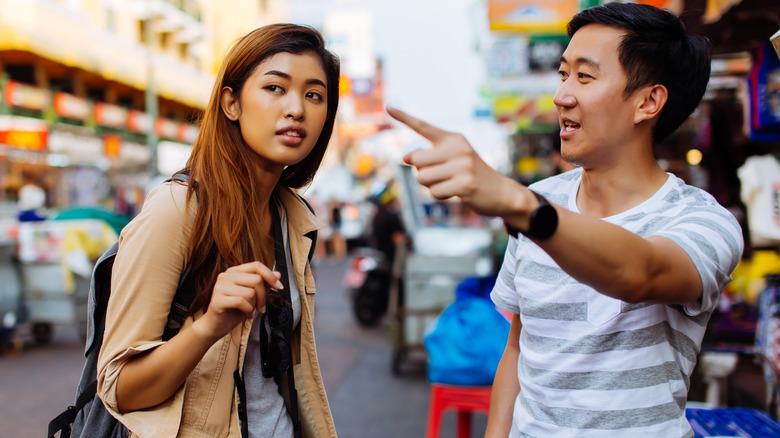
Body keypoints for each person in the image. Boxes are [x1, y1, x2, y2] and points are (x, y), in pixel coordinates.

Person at [387, 3, 743, 437]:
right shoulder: (543, 202)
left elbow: (641, 272)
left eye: (585, 76)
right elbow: (519, 347)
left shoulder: (703, 219)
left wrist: (519, 206)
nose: (561, 95)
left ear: (648, 101)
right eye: (562, 74)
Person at [97, 24, 339, 437]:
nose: (296, 108)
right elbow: (120, 388)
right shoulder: (177, 211)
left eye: (313, 95)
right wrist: (209, 325)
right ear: (231, 103)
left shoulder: (293, 219)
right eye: (275, 88)